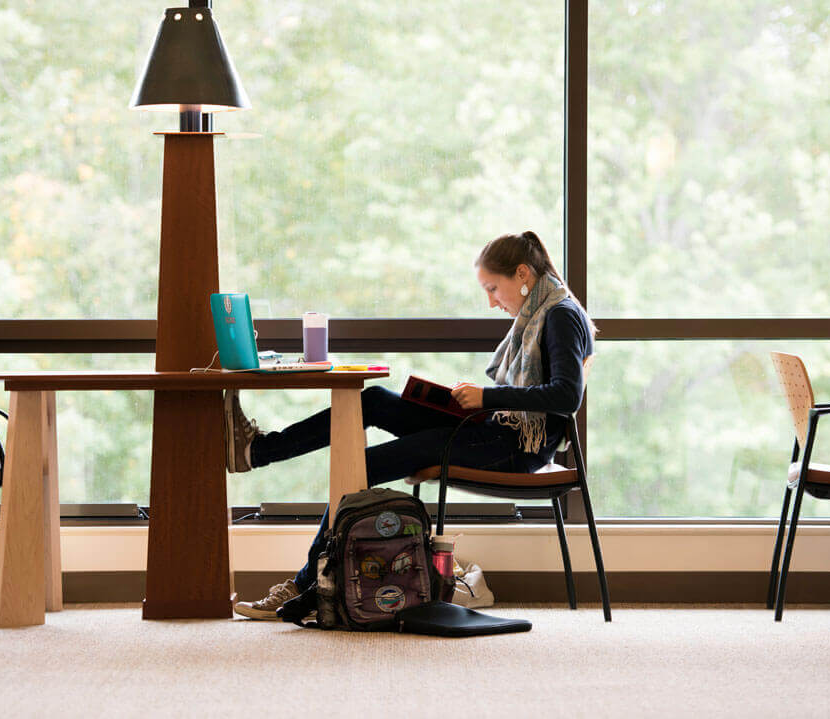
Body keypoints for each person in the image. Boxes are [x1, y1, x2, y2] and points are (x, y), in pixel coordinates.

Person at [228, 230, 596, 620]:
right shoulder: (540, 311)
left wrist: (487, 397)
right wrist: (474, 402)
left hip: (514, 448)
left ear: (522, 274)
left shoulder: (560, 315)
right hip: (492, 430)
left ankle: (306, 585)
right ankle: (258, 451)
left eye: (493, 288)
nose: (491, 301)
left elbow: (565, 397)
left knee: (360, 466)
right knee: (374, 400)